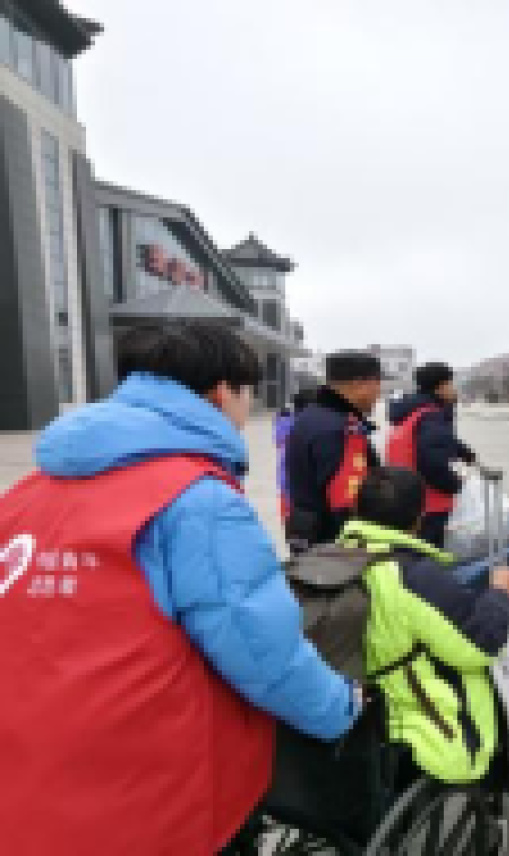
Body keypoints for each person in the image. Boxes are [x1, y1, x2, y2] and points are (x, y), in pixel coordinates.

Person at [0, 322, 361, 855]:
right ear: (221, 393)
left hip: (28, 774)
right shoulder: (197, 500)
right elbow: (259, 648)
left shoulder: (26, 493)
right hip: (146, 785)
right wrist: (338, 708)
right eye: (246, 392)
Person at [339, 467, 509, 785]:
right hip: (424, 721)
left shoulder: (341, 554)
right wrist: (501, 593)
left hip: (367, 704)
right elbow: (480, 645)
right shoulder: (412, 576)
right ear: (418, 519)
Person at [285, 352, 384, 551]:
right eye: (377, 385)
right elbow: (348, 503)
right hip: (335, 547)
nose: (378, 394)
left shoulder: (308, 417)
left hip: (306, 533)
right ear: (359, 384)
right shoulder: (343, 429)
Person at [387, 362, 477, 549]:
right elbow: (432, 461)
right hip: (429, 502)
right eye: (451, 384)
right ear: (440, 387)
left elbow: (435, 441)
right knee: (426, 552)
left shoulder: (413, 412)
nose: (453, 389)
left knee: (410, 552)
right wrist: (454, 484)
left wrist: (464, 452)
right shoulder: (431, 416)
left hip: (407, 496)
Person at [275, 388, 319, 520]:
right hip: (304, 491)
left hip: (286, 486)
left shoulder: (285, 423)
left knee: (290, 522)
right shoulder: (309, 427)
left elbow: (278, 440)